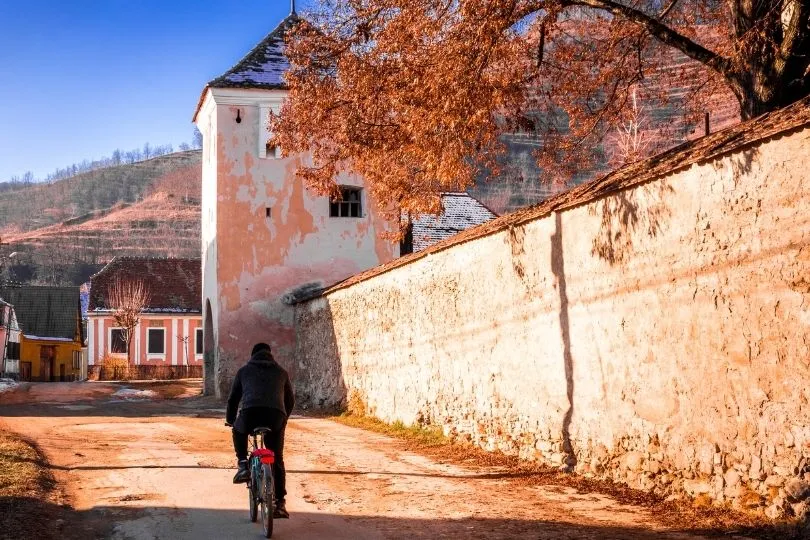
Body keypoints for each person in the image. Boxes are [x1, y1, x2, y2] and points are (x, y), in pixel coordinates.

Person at [226, 342, 295, 518]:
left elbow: (233, 399)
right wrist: (283, 419)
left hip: (251, 414)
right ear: (270, 355)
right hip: (276, 416)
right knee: (277, 458)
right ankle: (280, 504)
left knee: (238, 430)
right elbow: (290, 401)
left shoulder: (244, 371)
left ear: (253, 355)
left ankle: (243, 464)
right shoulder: (281, 372)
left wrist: (231, 420)